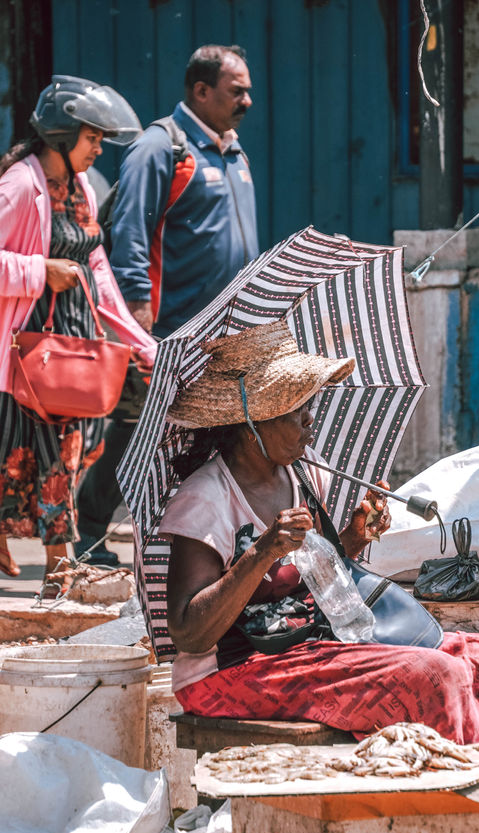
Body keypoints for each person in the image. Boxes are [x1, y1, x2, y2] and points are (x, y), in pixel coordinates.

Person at [158, 320, 479, 744]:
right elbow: (189, 632)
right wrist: (260, 553)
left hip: (311, 643)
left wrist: (352, 539)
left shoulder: (301, 472)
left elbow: (309, 579)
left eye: (307, 404)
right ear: (251, 421)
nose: (309, 420)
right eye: (295, 409)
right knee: (434, 675)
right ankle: (444, 790)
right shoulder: (205, 499)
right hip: (236, 671)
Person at [76, 43, 259, 564]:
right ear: (201, 91)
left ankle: (185, 543)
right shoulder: (161, 148)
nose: (247, 100)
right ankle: (91, 532)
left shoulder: (233, 152)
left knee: (205, 437)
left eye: (247, 89)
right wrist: (137, 317)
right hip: (165, 330)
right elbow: (129, 233)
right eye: (236, 90)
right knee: (138, 433)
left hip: (223, 329)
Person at [0, 75, 157, 585]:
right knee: (38, 456)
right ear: (62, 137)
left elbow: (98, 272)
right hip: (25, 348)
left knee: (68, 451)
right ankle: (58, 569)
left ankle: (52, 563)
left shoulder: (82, 188)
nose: (98, 150)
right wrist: (38, 270)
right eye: (92, 139)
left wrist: (138, 343)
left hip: (72, 345)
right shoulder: (20, 185)